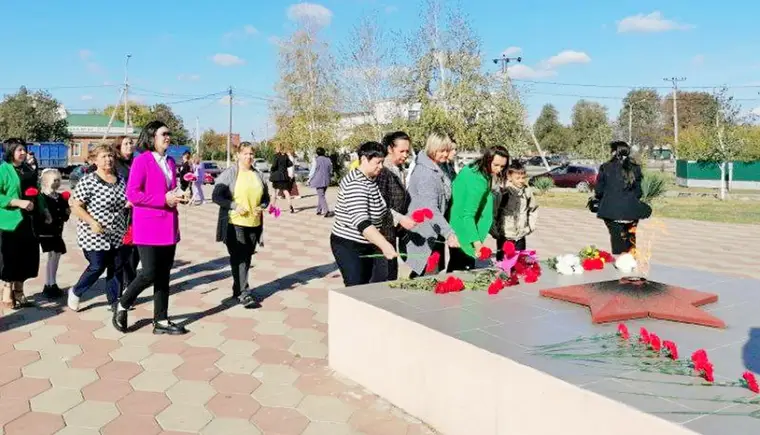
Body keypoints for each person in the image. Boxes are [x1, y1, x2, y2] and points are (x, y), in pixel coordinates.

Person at [114, 120, 189, 335]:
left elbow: (170, 189)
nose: (168, 137)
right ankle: (123, 303)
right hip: (148, 226)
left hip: (169, 225)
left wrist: (180, 196)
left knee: (164, 274)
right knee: (148, 273)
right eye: (163, 134)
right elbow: (133, 194)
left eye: (169, 134)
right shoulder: (142, 161)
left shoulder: (171, 162)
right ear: (151, 137)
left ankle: (161, 320)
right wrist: (163, 199)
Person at [68, 144, 128, 311]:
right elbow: (76, 206)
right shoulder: (88, 181)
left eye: (110, 156)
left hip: (116, 231)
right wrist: (92, 222)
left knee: (116, 266)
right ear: (94, 160)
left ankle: (114, 300)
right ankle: (76, 292)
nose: (108, 159)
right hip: (93, 232)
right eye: (103, 156)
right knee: (97, 266)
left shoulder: (121, 178)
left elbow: (125, 200)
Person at [330, 141, 397, 287]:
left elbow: (381, 207)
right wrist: (384, 245)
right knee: (356, 287)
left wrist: (400, 218)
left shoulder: (370, 179)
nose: (381, 167)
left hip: (367, 243)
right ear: (364, 159)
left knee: (367, 285)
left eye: (382, 162)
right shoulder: (355, 184)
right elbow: (362, 222)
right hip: (349, 245)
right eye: (377, 162)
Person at [212, 142, 270, 305]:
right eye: (245, 154)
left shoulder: (258, 174)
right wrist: (234, 206)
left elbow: (266, 197)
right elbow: (217, 196)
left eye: (251, 154)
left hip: (254, 222)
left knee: (246, 256)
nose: (249, 157)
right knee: (240, 257)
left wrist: (263, 206)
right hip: (234, 222)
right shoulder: (230, 173)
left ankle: (238, 289)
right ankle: (245, 293)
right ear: (238, 155)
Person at [403, 132, 459, 278]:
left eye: (447, 150)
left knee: (433, 272)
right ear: (432, 149)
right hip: (424, 233)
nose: (446, 154)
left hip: (435, 229)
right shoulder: (425, 174)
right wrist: (449, 233)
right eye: (442, 151)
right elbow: (430, 209)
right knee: (427, 275)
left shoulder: (439, 167)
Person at [447, 145, 510, 272]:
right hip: (464, 232)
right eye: (496, 165)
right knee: (461, 272)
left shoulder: (473, 168)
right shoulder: (478, 180)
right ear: (487, 160)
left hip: (458, 225)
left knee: (455, 267)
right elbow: (468, 215)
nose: (499, 170)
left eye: (502, 166)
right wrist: (477, 245)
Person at [0, 138, 43, 309]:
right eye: (19, 150)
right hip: (10, 221)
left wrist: (45, 209)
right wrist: (16, 202)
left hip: (29, 220)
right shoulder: (3, 170)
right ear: (10, 152)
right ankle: (7, 288)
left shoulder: (28, 169)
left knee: (27, 256)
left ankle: (19, 289)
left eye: (24, 150)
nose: (23, 153)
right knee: (9, 257)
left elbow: (36, 191)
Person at [371, 131, 417, 282]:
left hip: (391, 231)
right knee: (383, 277)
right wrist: (400, 218)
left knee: (391, 273)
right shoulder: (383, 170)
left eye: (407, 151)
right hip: (380, 232)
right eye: (401, 151)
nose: (405, 155)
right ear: (390, 149)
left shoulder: (399, 169)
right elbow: (378, 203)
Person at [595, 141, 648, 255]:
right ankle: (631, 263)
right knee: (630, 240)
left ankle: (619, 264)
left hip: (611, 212)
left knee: (617, 241)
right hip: (631, 211)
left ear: (614, 152)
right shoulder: (636, 168)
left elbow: (599, 191)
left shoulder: (605, 167)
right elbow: (639, 192)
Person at [491, 161, 538, 260]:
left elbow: (533, 209)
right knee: (503, 264)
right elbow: (494, 212)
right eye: (518, 178)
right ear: (509, 177)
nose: (521, 181)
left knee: (518, 265)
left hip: (520, 236)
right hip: (505, 236)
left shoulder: (527, 192)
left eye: (523, 178)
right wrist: (495, 231)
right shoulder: (503, 193)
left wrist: (530, 227)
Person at [112, 136, 139, 298]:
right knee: (122, 252)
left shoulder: (137, 162)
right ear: (118, 147)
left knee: (135, 250)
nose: (130, 146)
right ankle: (119, 289)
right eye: (126, 144)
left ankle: (130, 285)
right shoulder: (115, 164)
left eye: (131, 143)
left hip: (137, 212)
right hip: (121, 212)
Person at [37, 169, 70, 299]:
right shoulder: (42, 198)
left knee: (56, 256)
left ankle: (53, 282)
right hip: (47, 233)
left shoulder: (60, 197)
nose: (56, 183)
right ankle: (49, 283)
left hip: (57, 232)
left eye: (58, 180)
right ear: (46, 181)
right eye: (54, 180)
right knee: (51, 256)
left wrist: (67, 212)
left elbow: (64, 215)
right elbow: (40, 215)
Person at [308, 147, 333, 217]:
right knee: (321, 195)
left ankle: (326, 211)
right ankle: (318, 210)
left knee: (321, 196)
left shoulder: (316, 160)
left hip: (318, 180)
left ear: (317, 153)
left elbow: (313, 170)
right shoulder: (328, 159)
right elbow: (331, 170)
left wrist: (309, 179)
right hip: (326, 180)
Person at [270, 146, 295, 213]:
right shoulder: (286, 156)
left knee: (275, 192)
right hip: (284, 176)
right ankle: (290, 207)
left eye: (276, 148)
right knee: (286, 192)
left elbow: (274, 165)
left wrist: (272, 169)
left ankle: (272, 208)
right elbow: (290, 164)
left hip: (277, 176)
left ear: (278, 149)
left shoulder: (276, 156)